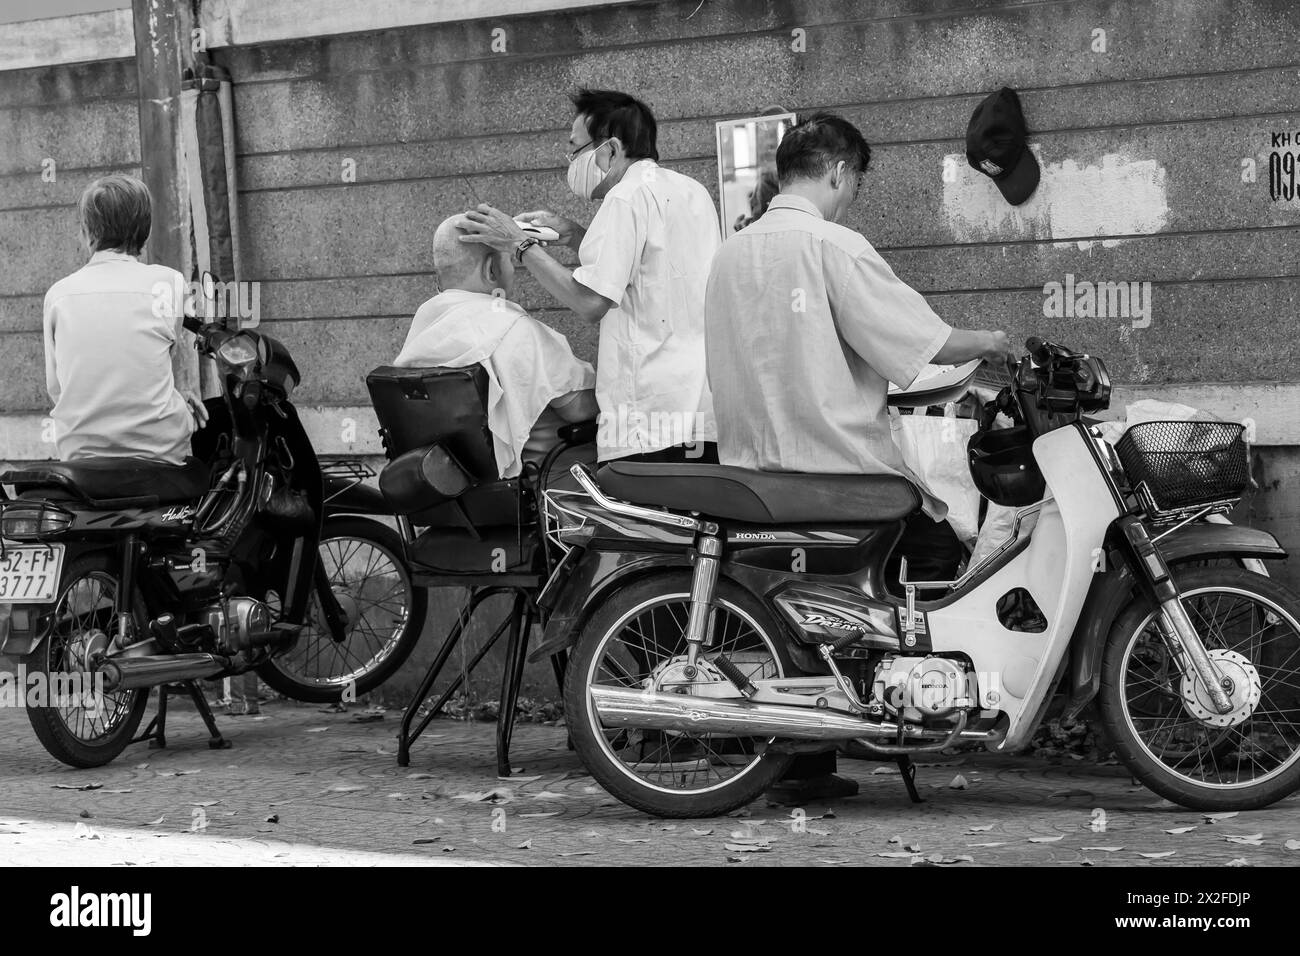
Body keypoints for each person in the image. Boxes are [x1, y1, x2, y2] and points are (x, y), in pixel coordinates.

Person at [704, 112, 1016, 802]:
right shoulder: (832, 245)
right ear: (840, 171)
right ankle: (914, 713)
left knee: (796, 610)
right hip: (841, 474)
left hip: (757, 475)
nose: (852, 198)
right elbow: (918, 341)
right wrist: (993, 341)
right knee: (944, 571)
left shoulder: (730, 254)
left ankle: (807, 761)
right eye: (855, 184)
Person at [456, 88, 719, 464]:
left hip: (649, 423)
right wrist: (575, 236)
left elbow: (592, 302)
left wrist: (520, 246)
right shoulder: (691, 192)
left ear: (610, 150)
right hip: (702, 413)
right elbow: (647, 273)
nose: (571, 162)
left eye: (576, 150)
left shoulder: (624, 198)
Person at [394, 215, 597, 484]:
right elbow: (579, 410)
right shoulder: (513, 329)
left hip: (462, 495)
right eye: (509, 260)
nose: (512, 270)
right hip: (545, 486)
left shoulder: (423, 330)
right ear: (491, 270)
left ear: (438, 277)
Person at [43, 174, 205, 465]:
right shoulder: (169, 284)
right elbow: (153, 360)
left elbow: (57, 389)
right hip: (160, 452)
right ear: (146, 228)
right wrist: (178, 399)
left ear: (87, 231)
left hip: (79, 454)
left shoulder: (59, 295)